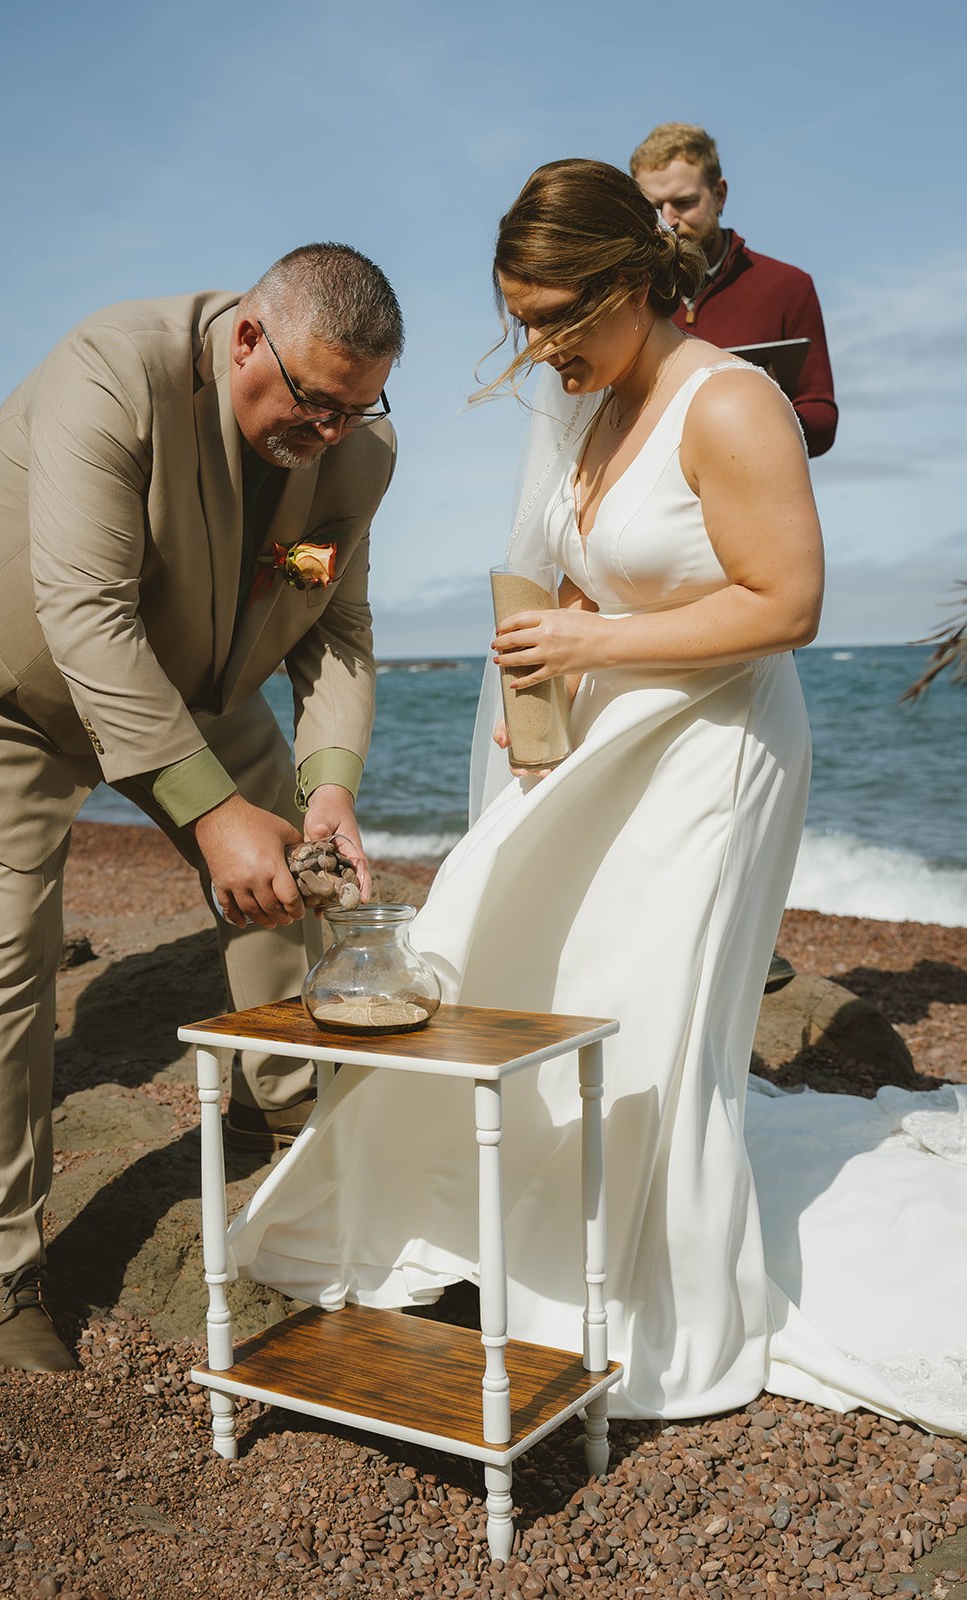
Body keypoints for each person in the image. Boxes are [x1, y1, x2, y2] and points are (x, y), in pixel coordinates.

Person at [225, 163, 967, 1437]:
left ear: (634, 282)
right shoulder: (588, 404)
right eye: (519, 318)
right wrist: (546, 674)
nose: (537, 346)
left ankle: (641, 1292)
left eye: (556, 315)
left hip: (712, 752)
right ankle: (475, 1226)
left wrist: (589, 649)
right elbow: (584, 583)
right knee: (493, 953)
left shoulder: (729, 405)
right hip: (600, 746)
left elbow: (785, 605)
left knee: (647, 1006)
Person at [0, 244, 402, 1371]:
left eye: (356, 409)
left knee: (296, 866)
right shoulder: (109, 370)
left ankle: (288, 1117)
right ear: (243, 341)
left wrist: (325, 786)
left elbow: (332, 622)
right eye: (316, 403)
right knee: (7, 949)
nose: (331, 433)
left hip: (183, 680)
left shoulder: (354, 448)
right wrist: (210, 816)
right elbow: (83, 611)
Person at [630, 122, 837, 459]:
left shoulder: (789, 287)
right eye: (654, 207)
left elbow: (823, 419)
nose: (668, 221)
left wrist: (757, 413)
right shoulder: (627, 296)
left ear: (720, 195)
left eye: (683, 203)